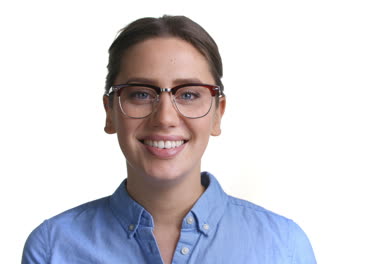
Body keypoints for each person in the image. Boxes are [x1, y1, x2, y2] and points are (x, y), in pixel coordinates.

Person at [22, 15, 316, 264]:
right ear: (110, 112)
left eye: (188, 94)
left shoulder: (284, 246)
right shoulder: (53, 247)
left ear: (217, 114)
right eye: (140, 94)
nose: (164, 118)